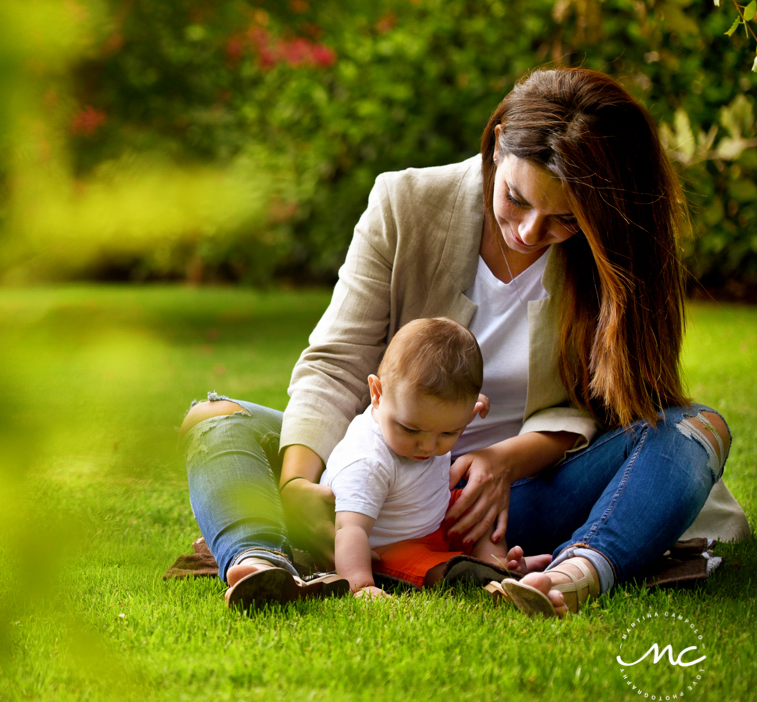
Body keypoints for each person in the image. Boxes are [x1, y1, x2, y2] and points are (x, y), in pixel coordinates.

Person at [180, 67, 747, 617]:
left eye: (564, 219)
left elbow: (612, 409)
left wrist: (504, 461)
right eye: (517, 200)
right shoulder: (404, 203)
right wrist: (300, 483)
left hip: (512, 506)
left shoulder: (611, 255)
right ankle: (260, 563)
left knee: (695, 429)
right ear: (498, 146)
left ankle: (572, 575)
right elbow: (336, 362)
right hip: (376, 481)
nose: (529, 234)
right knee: (214, 418)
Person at [322, 317, 551, 599]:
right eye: (411, 429)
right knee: (439, 571)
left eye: (448, 432)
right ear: (377, 394)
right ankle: (481, 581)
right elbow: (350, 528)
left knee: (479, 507)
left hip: (436, 518)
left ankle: (499, 569)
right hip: (390, 544)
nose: (428, 446)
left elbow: (445, 412)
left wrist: (466, 408)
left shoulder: (428, 415)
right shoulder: (367, 460)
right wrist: (360, 585)